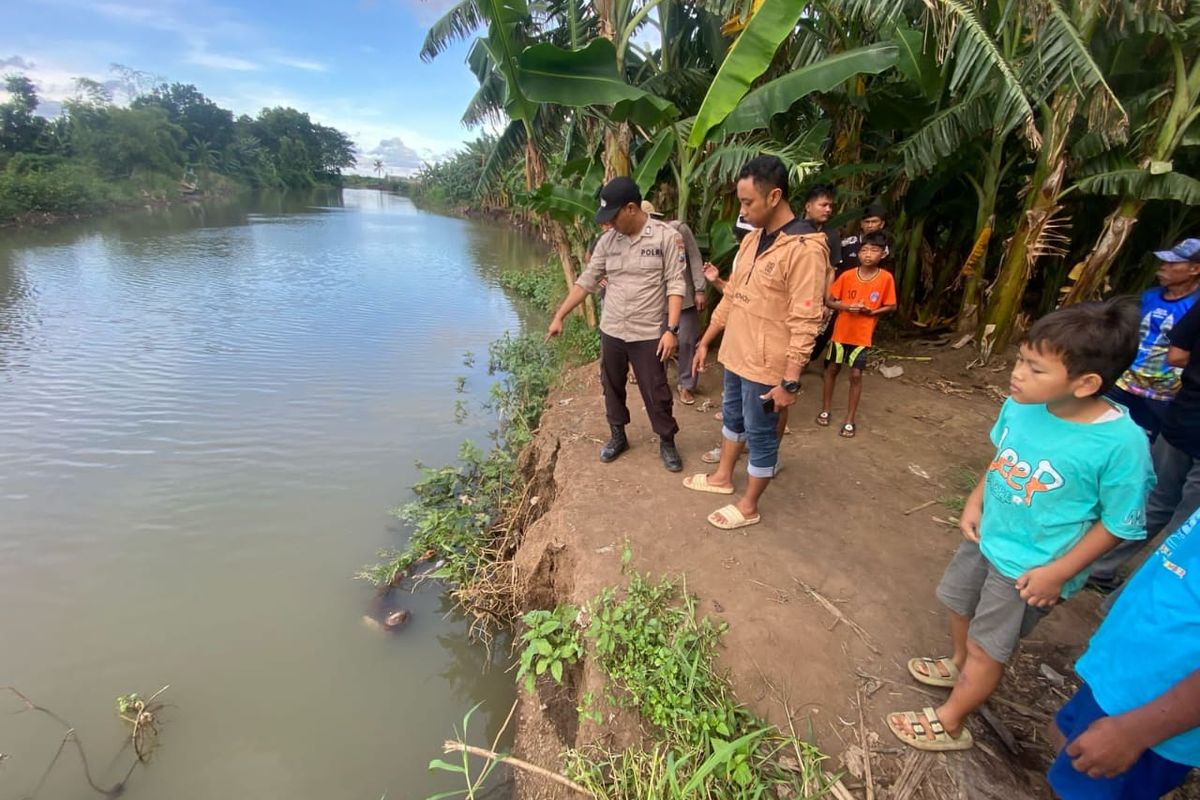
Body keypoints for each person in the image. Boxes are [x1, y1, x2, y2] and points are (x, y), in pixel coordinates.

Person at [887, 299, 1154, 753]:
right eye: (1020, 360)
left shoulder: (1121, 445)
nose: (1018, 374)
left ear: (1086, 383)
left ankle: (951, 721)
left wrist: (1060, 572)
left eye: (1035, 368)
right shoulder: (1023, 406)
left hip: (1030, 567)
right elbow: (1001, 459)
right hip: (989, 536)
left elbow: (1118, 524)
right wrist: (975, 501)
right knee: (956, 599)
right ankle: (957, 661)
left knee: (990, 648)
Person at [683, 155, 829, 529]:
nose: (743, 210)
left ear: (775, 196)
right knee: (733, 418)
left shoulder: (805, 250)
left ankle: (749, 505)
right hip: (736, 353)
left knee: (761, 434)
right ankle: (722, 477)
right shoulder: (751, 240)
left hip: (768, 363)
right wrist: (706, 340)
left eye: (748, 203)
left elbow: (807, 319)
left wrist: (791, 380)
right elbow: (733, 296)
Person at [1047, 506, 1200, 799]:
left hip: (1152, 718)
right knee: (1069, 753)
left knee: (1085, 786)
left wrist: (1136, 732)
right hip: (1124, 676)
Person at [546, 176, 686, 472]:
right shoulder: (607, 242)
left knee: (656, 389)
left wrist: (671, 330)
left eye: (613, 216)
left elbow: (675, 285)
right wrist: (560, 315)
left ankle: (666, 440)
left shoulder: (665, 237)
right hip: (612, 330)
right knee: (611, 385)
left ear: (631, 209)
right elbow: (587, 281)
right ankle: (618, 435)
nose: (609, 224)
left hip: (648, 332)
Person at [1091, 293, 1200, 592]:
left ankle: (1098, 568)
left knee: (1156, 503)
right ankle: (1140, 596)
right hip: (1179, 416)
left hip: (1184, 417)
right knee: (1187, 529)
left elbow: (1177, 354)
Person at [1107, 238, 1200, 439]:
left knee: (1145, 442)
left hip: (1165, 393)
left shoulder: (1195, 306)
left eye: (1172, 264)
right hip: (1125, 381)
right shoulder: (1149, 296)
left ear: (1194, 270)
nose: (1163, 268)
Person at [817, 231, 897, 438]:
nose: (868, 254)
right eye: (864, 250)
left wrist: (872, 312)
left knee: (855, 375)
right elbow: (830, 300)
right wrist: (846, 307)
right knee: (832, 369)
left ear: (883, 254)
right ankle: (825, 409)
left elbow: (891, 305)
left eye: (874, 250)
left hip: (862, 336)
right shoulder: (847, 275)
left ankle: (850, 419)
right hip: (841, 333)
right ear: (858, 253)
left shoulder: (886, 278)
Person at [643, 201, 707, 405]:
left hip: (684, 298)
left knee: (687, 341)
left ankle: (686, 385)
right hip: (656, 302)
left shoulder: (678, 231)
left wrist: (699, 288)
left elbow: (695, 258)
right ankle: (657, 382)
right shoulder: (635, 240)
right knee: (656, 342)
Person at [839, 202, 889, 274]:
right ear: (861, 224)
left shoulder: (886, 247)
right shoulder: (847, 244)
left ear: (882, 224)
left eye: (874, 222)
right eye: (867, 222)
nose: (870, 226)